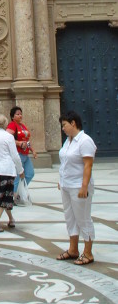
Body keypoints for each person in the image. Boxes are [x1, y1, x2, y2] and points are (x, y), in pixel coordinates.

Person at [56, 110, 97, 266]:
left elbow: (88, 165)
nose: (63, 128)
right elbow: (66, 162)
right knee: (70, 217)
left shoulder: (85, 140)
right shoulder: (69, 140)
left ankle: (88, 252)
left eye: (64, 125)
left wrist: (84, 186)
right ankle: (73, 249)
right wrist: (62, 180)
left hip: (79, 186)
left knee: (83, 218)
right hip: (67, 184)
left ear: (73, 123)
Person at [0, 115, 24, 233]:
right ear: (5, 124)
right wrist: (20, 170)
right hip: (6, 170)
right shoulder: (8, 137)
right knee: (5, 196)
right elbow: (15, 155)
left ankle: (11, 219)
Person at [6, 106, 38, 202]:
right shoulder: (12, 125)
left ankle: (20, 192)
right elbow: (7, 138)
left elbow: (26, 140)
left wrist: (32, 150)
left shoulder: (22, 126)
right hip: (17, 154)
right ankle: (12, 197)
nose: (20, 115)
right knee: (16, 176)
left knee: (30, 173)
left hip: (25, 154)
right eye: (17, 114)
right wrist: (18, 143)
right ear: (12, 116)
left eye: (21, 114)